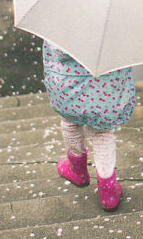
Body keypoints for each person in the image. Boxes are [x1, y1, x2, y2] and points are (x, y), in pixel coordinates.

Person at [42, 40, 137, 210]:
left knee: (70, 123)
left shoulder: (60, 27)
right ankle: (108, 192)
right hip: (105, 89)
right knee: (102, 133)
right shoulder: (113, 29)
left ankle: (77, 170)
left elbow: (55, 53)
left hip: (68, 85)